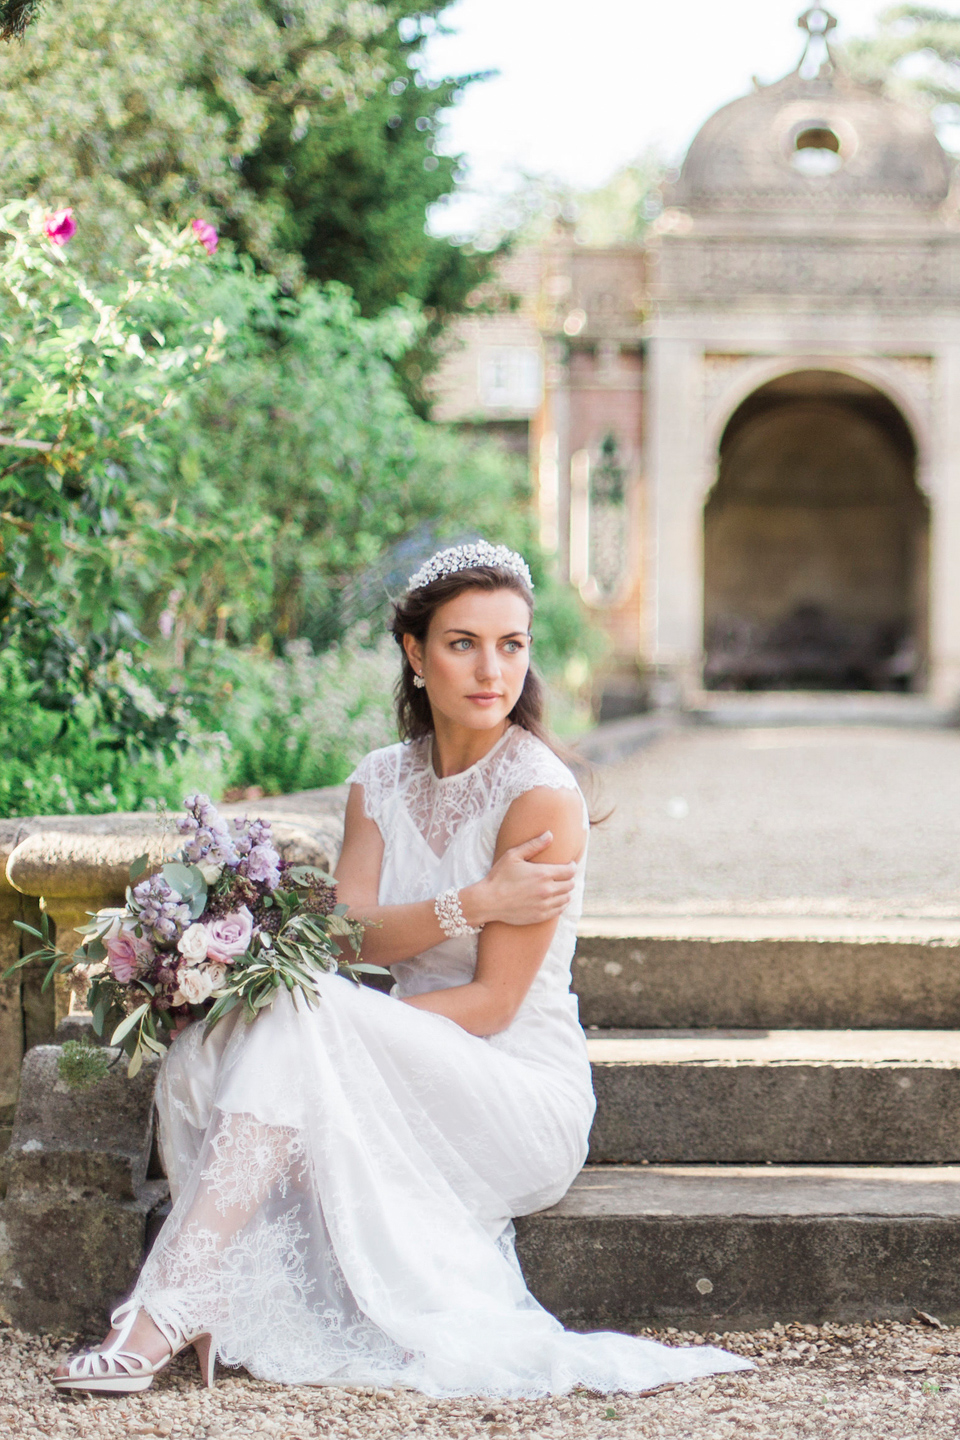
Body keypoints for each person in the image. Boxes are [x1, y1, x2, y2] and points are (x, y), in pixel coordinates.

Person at [54, 541, 751, 1398]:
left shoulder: (541, 795)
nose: (492, 668)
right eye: (463, 643)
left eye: (512, 644)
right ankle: (179, 1305)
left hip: (513, 1096)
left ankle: (162, 1309)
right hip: (404, 1062)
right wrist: (474, 900)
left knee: (301, 1013)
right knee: (279, 1015)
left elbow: (495, 1004)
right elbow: (349, 938)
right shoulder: (378, 781)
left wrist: (343, 1038)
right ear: (417, 656)